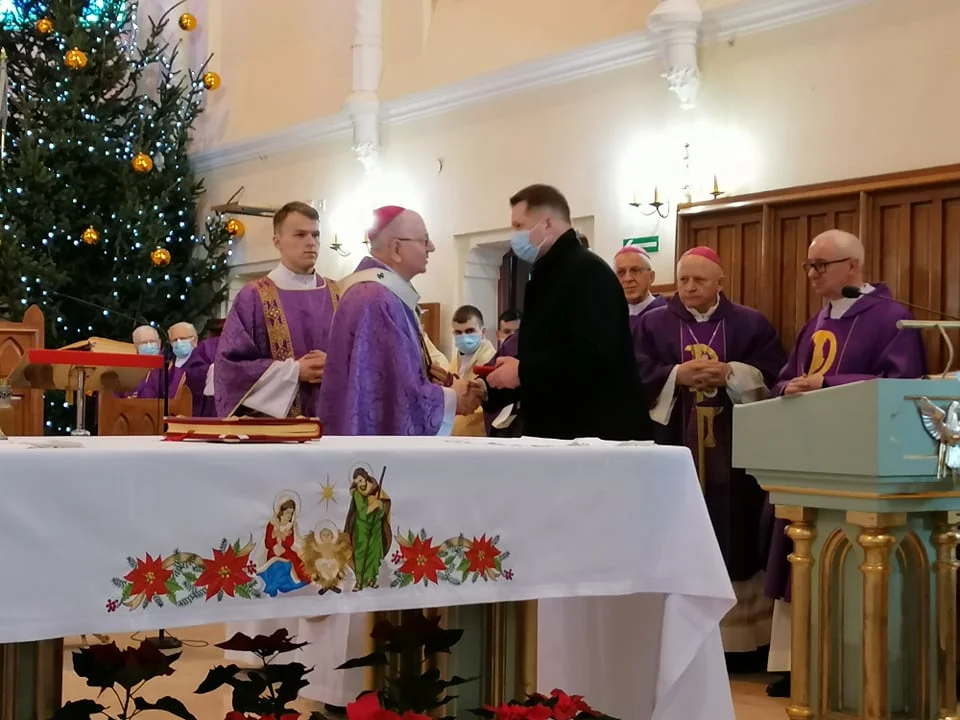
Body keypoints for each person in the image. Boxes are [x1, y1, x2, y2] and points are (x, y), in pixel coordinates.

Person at [762, 229, 927, 697]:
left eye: (822, 265)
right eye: (809, 266)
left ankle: (850, 664)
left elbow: (901, 383)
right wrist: (789, 387)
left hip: (862, 463)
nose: (812, 274)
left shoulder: (893, 318)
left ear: (853, 266)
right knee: (800, 552)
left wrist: (827, 384)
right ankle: (798, 662)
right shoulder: (816, 320)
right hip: (810, 457)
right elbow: (787, 376)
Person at [633, 246, 787, 661]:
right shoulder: (653, 324)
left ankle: (740, 644)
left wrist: (732, 373)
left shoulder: (750, 323)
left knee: (735, 533)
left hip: (736, 457)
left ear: (720, 281)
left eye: (699, 280)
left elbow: (775, 373)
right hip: (673, 446)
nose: (688, 287)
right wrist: (674, 375)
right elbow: (633, 372)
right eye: (683, 279)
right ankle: (678, 638)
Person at [483, 184, 653, 441]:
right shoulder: (547, 274)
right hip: (559, 431)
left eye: (519, 226)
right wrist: (490, 387)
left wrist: (522, 371)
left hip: (593, 433)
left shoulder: (588, 272)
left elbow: (592, 354)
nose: (514, 236)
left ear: (547, 223)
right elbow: (547, 353)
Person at [319, 205, 484, 435]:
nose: (431, 247)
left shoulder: (381, 295)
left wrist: (444, 384)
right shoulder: (376, 300)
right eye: (424, 240)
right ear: (397, 248)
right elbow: (399, 398)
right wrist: (453, 397)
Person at [214, 201, 337, 418]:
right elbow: (231, 370)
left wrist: (335, 363)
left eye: (315, 235)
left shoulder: (338, 294)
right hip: (277, 429)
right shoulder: (253, 296)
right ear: (277, 241)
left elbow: (362, 357)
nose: (311, 242)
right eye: (300, 235)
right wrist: (294, 372)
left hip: (333, 423)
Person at [449, 305, 497, 436]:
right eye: (458, 332)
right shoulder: (453, 363)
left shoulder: (491, 362)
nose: (464, 336)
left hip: (478, 437)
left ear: (483, 332)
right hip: (453, 437)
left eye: (469, 331)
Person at [614, 245, 666, 328]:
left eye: (635, 270)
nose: (628, 279)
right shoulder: (607, 317)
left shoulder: (668, 315)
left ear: (651, 277)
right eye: (621, 272)